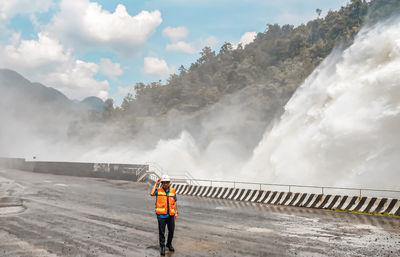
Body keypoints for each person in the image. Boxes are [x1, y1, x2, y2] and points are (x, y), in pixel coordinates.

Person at [150, 174, 178, 256]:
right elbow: (151, 193)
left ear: (169, 183)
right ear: (162, 183)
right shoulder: (158, 190)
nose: (165, 184)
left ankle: (169, 244)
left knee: (171, 231)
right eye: (164, 182)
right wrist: (156, 184)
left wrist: (176, 212)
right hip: (161, 215)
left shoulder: (173, 191)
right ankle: (162, 247)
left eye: (167, 182)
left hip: (171, 215)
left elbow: (174, 202)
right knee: (162, 232)